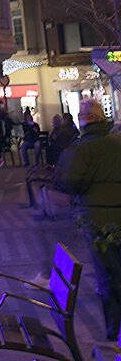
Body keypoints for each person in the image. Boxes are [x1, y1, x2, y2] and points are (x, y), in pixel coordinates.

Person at [55, 99, 121, 341]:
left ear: (83, 121)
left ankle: (115, 335)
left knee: (109, 277)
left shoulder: (81, 149)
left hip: (98, 221)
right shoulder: (117, 142)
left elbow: (69, 181)